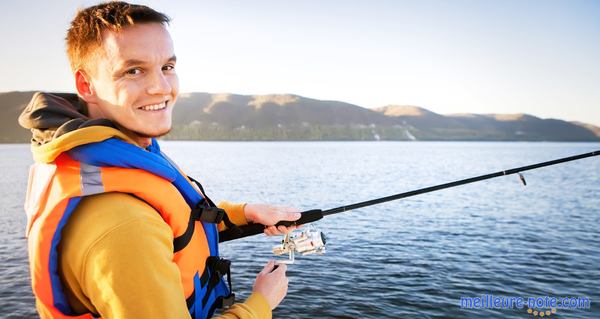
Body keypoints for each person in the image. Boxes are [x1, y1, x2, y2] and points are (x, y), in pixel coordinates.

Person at [18, 2, 300, 318]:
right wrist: (262, 302)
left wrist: (243, 214)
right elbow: (139, 229)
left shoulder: (118, 152)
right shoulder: (123, 226)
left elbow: (176, 224)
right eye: (133, 70)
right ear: (86, 85)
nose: (162, 88)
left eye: (167, 66)